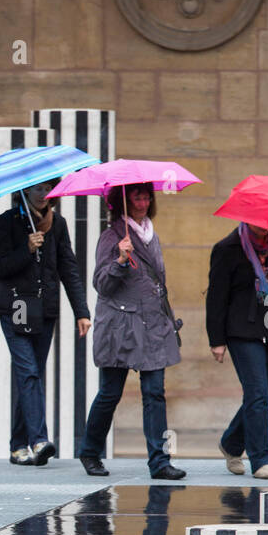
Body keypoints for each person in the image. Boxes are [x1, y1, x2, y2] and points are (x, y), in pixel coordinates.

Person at [78, 182, 186, 480]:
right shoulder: (111, 236)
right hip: (120, 327)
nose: (143, 198)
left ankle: (160, 462)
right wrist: (121, 261)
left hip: (153, 327)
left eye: (146, 193)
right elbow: (101, 284)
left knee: (154, 393)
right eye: (136, 194)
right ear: (122, 199)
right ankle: (90, 451)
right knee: (110, 393)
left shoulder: (152, 235)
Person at [0, 178, 91, 465]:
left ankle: (18, 446)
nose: (44, 194)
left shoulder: (58, 224)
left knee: (31, 375)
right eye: (38, 189)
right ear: (25, 191)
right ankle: (39, 440)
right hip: (14, 306)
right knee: (29, 371)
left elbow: (69, 267)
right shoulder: (9, 222)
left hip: (44, 310)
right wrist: (26, 250)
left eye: (48, 189)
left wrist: (82, 311)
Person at [206, 219, 268, 479]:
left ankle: (231, 443)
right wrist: (217, 340)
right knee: (257, 393)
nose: (264, 225)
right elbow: (216, 296)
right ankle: (262, 460)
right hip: (241, 328)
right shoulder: (228, 247)